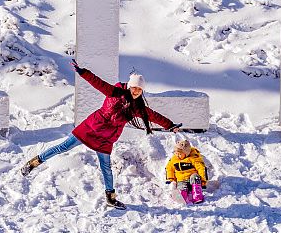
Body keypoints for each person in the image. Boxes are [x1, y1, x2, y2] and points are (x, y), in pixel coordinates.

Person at [22, 60, 181, 209]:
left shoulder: (137, 107)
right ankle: (34, 162)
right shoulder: (114, 92)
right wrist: (82, 72)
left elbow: (154, 115)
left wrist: (170, 125)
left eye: (139, 89)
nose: (136, 91)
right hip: (91, 128)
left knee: (106, 168)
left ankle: (110, 198)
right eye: (134, 88)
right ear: (129, 86)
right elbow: (97, 82)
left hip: (106, 138)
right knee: (63, 146)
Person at [164, 138, 208, 204]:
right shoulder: (174, 159)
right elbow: (169, 168)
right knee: (181, 187)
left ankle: (197, 195)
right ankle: (182, 196)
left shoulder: (193, 158)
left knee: (195, 176)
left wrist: (203, 181)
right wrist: (170, 178)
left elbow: (201, 168)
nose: (177, 155)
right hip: (181, 180)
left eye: (180, 154)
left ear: (186, 153)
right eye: (176, 153)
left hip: (192, 180)